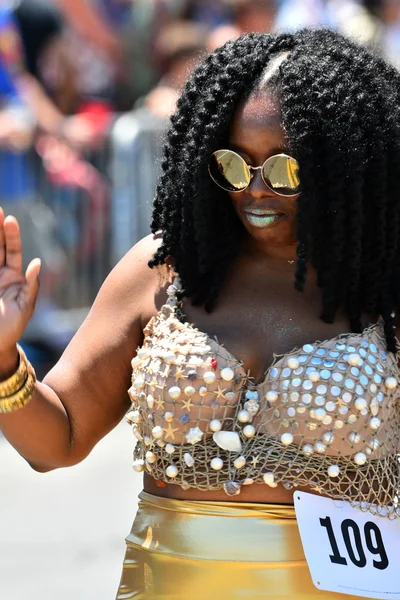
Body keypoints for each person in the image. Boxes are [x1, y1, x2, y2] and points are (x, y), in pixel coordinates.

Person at [0, 28, 400, 599]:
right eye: (233, 165)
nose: (255, 190)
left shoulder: (384, 284)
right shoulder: (162, 269)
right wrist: (2, 359)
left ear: (343, 164)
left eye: (285, 169)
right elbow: (55, 442)